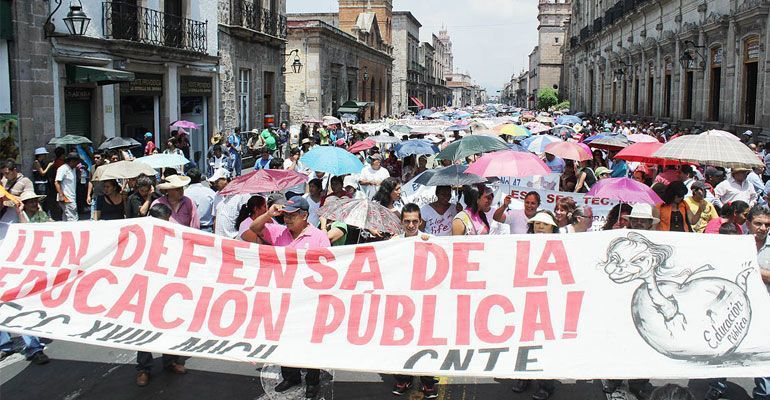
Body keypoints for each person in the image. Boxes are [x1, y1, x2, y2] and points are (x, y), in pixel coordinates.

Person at [247, 197, 331, 398]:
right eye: (285, 215)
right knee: (285, 338)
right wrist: (269, 214)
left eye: (292, 215)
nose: (287, 219)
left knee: (309, 341)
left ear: (304, 215)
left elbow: (329, 267)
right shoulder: (278, 232)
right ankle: (291, 376)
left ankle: (312, 381)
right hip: (283, 298)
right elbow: (254, 227)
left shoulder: (319, 237)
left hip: (309, 300)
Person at [706, 204, 770, 400]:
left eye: (767, 224)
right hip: (733, 307)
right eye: (758, 223)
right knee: (723, 348)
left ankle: (763, 393)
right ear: (747, 224)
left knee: (762, 353)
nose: (763, 228)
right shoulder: (735, 244)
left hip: (764, 309)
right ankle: (716, 385)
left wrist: (752, 269)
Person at [135, 201, 186, 386]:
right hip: (146, 287)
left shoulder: (171, 235)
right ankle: (143, 368)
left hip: (166, 287)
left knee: (169, 325)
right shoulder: (141, 235)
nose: (167, 222)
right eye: (164, 219)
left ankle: (170, 361)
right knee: (144, 329)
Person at [390, 203, 437, 398]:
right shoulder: (394, 242)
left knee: (424, 341)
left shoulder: (430, 240)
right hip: (401, 301)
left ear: (420, 222)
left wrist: (429, 245)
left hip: (424, 300)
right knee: (401, 340)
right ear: (401, 222)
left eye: (414, 221)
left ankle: (427, 381)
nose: (411, 225)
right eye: (407, 221)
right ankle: (403, 378)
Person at [0, 190, 52, 366]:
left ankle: (34, 348)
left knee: (20, 306)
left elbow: (28, 232)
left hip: (16, 267)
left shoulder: (13, 213)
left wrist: (20, 212)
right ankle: (4, 345)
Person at [184, 168, 216, 232]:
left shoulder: (184, 193)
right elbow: (215, 213)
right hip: (207, 229)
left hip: (189, 229)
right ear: (200, 178)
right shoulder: (210, 192)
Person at [55, 152, 80, 221]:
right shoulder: (63, 169)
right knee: (73, 219)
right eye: (77, 161)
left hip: (71, 197)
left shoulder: (73, 169)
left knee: (66, 218)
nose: (78, 163)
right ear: (72, 161)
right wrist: (61, 195)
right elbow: (57, 182)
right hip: (67, 198)